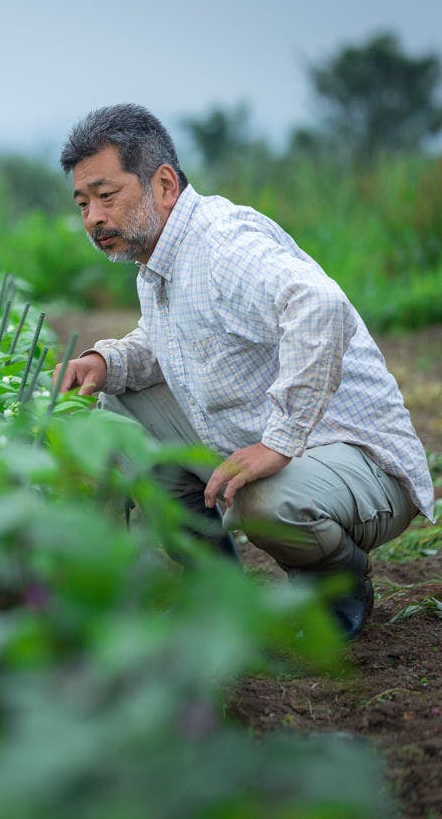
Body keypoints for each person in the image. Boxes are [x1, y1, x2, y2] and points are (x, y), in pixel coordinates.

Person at [53, 103, 432, 638]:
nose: (93, 217)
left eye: (106, 195)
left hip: (356, 457)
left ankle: (338, 583)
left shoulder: (222, 244)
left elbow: (319, 304)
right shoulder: (158, 260)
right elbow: (172, 344)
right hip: (274, 443)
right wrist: (105, 360)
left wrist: (279, 442)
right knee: (116, 405)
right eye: (82, 202)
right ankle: (212, 587)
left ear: (163, 184)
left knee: (263, 503)